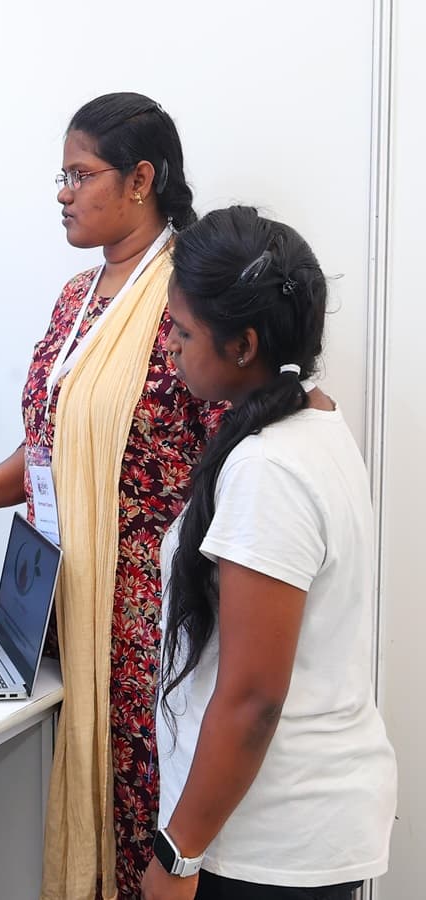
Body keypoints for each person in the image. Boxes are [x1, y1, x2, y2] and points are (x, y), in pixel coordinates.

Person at [0, 93, 219, 898]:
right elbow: (56, 436)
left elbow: (234, 449)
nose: (62, 193)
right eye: (62, 175)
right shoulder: (76, 299)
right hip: (58, 604)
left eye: (80, 175)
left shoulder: (192, 299)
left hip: (144, 625)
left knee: (141, 821)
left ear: (142, 179)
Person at [144, 206, 396, 900]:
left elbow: (254, 697)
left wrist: (178, 854)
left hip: (270, 844)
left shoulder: (271, 468)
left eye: (184, 332)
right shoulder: (315, 420)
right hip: (295, 822)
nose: (171, 348)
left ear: (244, 345)